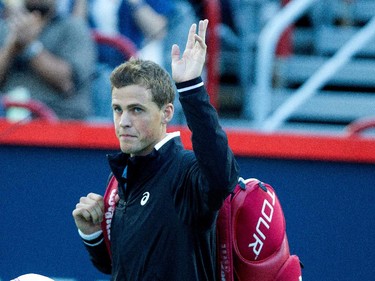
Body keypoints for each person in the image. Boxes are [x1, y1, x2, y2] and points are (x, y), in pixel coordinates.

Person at [72, 19, 239, 280]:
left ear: (166, 113)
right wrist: (92, 234)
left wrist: (191, 87)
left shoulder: (185, 173)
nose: (124, 121)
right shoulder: (120, 179)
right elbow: (119, 267)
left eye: (136, 109)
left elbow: (222, 177)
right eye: (118, 109)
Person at [0, 0, 96, 120]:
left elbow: (67, 82)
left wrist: (29, 46)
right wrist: (11, 47)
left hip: (59, 121)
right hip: (7, 118)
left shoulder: (74, 28)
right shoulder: (4, 28)